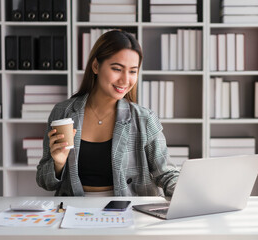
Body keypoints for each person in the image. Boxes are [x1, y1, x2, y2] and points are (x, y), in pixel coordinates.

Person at [36, 30, 179, 197]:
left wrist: (191, 194)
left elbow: (166, 174)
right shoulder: (63, 112)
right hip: (74, 211)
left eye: (133, 71)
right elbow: (44, 181)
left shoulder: (144, 119)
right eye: (117, 69)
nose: (125, 80)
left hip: (129, 212)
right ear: (96, 66)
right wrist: (58, 163)